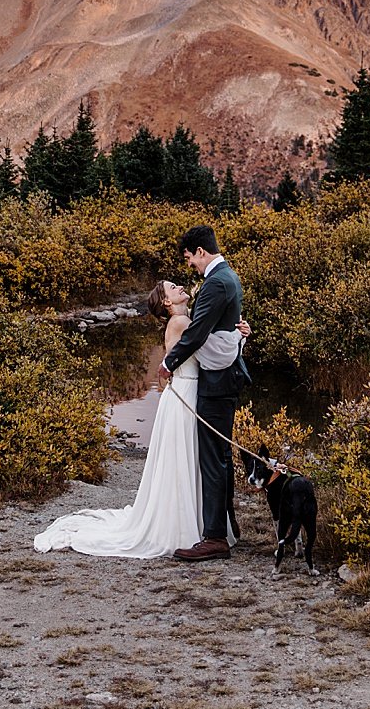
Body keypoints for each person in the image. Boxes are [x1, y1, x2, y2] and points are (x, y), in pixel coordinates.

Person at [32, 279, 203, 557]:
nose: (181, 287)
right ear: (168, 303)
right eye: (173, 288)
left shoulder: (186, 320)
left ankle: (189, 520)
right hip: (185, 391)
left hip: (187, 390)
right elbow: (194, 351)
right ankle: (182, 526)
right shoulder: (180, 324)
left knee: (184, 458)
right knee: (182, 458)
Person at [158, 224, 248, 562]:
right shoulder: (229, 277)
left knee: (213, 458)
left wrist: (169, 363)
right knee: (221, 456)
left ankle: (214, 537)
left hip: (215, 383)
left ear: (200, 252)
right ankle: (225, 526)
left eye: (189, 258)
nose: (190, 266)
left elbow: (196, 334)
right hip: (224, 379)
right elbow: (221, 330)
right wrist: (241, 336)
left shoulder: (216, 282)